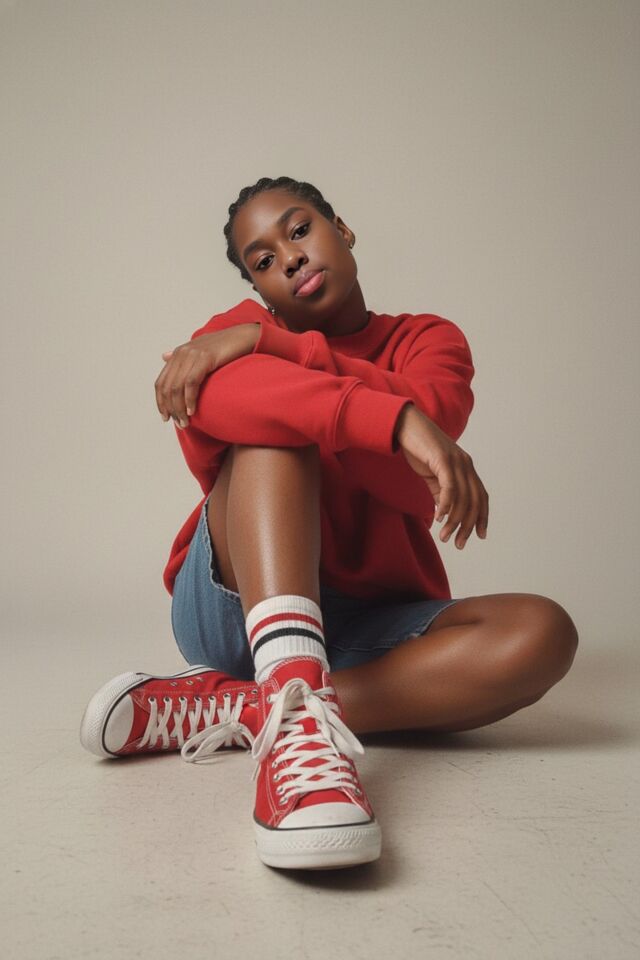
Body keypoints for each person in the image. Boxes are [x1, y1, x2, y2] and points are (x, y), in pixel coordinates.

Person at [80, 176, 579, 871]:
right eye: (262, 261)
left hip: (368, 625)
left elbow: (433, 417)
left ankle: (252, 708)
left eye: (299, 230)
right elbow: (219, 399)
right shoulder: (232, 330)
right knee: (272, 433)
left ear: (341, 229)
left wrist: (269, 345)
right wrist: (395, 419)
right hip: (232, 607)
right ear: (257, 288)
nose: (288, 257)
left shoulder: (425, 339)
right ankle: (291, 711)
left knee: (542, 633)